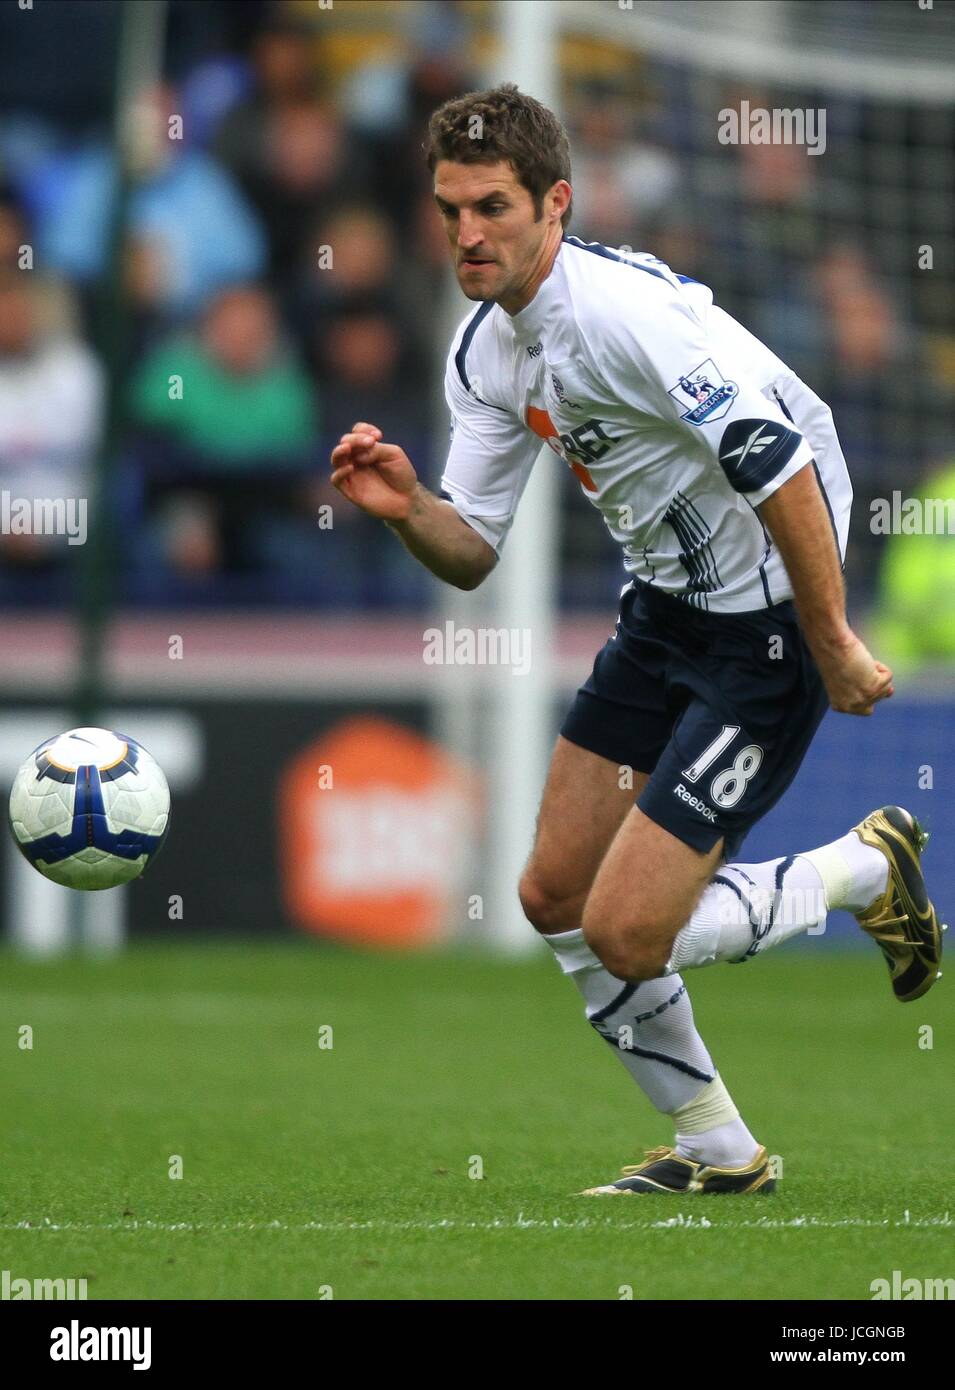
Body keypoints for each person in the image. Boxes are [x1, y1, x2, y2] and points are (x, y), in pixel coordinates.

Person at [329, 85, 943, 1197]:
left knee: (624, 930)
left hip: (764, 624)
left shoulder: (624, 320)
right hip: (661, 612)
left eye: (494, 207)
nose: (468, 233)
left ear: (554, 204)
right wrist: (410, 505)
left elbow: (779, 463)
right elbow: (472, 550)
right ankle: (716, 1149)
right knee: (551, 896)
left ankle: (861, 869)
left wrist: (830, 637)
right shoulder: (487, 353)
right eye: (450, 208)